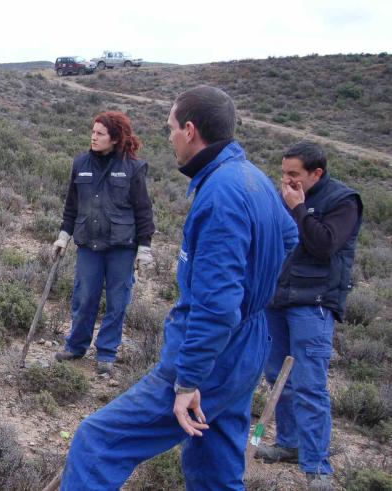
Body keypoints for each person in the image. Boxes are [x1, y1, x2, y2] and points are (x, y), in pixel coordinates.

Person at [59, 85, 298, 490]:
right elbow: (288, 237)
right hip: (248, 345)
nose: (168, 137)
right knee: (216, 463)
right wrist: (255, 290)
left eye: (170, 128)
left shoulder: (221, 194)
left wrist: (188, 381)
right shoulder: (252, 177)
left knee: (97, 441)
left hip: (210, 355)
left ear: (190, 130)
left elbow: (217, 307)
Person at [255, 141, 362, 491]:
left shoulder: (343, 201)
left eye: (294, 174)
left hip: (313, 302)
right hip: (277, 296)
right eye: (283, 172)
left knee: (309, 384)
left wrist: (300, 210)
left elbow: (325, 245)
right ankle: (288, 443)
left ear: (317, 173)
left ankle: (317, 466)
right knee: (276, 375)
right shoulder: (285, 196)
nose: (286, 180)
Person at [53, 111, 155, 375]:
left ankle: (107, 354)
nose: (93, 137)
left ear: (115, 138)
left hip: (122, 246)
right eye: (93, 132)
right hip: (88, 243)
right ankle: (76, 346)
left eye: (100, 133)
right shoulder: (80, 164)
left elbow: (143, 210)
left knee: (117, 301)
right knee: (84, 296)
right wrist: (64, 234)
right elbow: (71, 206)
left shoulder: (132, 168)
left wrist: (144, 247)